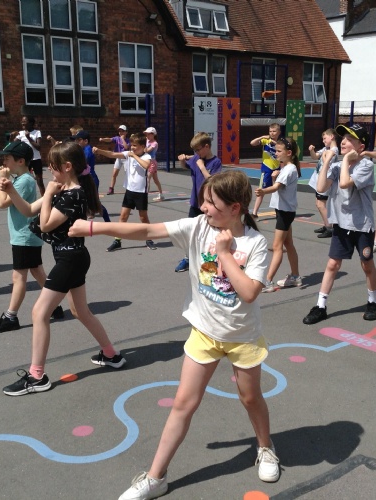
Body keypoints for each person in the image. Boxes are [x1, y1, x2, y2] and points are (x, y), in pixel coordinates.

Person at [68, 170, 280, 499]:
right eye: (203, 201)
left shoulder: (254, 243)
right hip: (205, 334)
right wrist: (94, 228)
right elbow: (146, 229)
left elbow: (250, 292)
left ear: (235, 208)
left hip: (242, 337)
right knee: (183, 403)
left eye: (210, 202)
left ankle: (265, 447)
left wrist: (225, 254)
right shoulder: (197, 227)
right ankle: (156, 477)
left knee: (250, 398)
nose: (203, 207)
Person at [0, 142, 125, 396]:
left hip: (71, 259)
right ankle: (111, 355)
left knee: (39, 313)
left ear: (67, 167)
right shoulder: (62, 189)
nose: (49, 170)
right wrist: (11, 190)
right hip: (71, 257)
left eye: (53, 166)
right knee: (80, 311)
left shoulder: (73, 194)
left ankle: (37, 376)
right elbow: (28, 211)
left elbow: (45, 225)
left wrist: (47, 194)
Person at [303, 124, 376, 325]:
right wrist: (326, 162)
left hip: (361, 225)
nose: (344, 142)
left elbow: (345, 183)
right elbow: (321, 187)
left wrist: (345, 160)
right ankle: (320, 306)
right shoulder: (337, 166)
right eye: (343, 138)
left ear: (361, 146)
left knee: (367, 265)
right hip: (341, 224)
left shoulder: (366, 166)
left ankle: (373, 301)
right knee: (332, 264)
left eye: (350, 139)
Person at [0, 141, 64, 333]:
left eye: (7, 158)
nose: (3, 162)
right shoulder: (21, 179)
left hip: (24, 236)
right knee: (37, 271)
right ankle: (55, 305)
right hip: (25, 235)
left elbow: (2, 203)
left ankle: (10, 316)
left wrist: (2, 179)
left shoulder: (24, 181)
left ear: (20, 161)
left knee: (18, 277)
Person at [93, 134, 156, 251]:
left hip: (141, 192)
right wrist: (99, 151)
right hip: (129, 191)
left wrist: (134, 156)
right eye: (132, 145)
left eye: (135, 145)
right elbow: (112, 154)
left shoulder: (146, 156)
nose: (132, 147)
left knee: (143, 217)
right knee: (123, 216)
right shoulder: (128, 154)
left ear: (143, 146)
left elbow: (146, 166)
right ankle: (117, 240)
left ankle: (149, 239)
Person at [255, 137, 302, 292]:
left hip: (285, 212)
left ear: (289, 153)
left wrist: (263, 191)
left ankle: (268, 281)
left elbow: (276, 188)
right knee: (288, 244)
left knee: (277, 246)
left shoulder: (289, 169)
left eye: (279, 151)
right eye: (276, 150)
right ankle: (295, 276)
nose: (276, 153)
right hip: (284, 210)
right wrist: (275, 177)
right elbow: (279, 186)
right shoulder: (287, 168)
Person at [175, 132, 222, 272]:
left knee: (210, 234)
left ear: (206, 147)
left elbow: (213, 181)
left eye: (198, 150)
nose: (196, 153)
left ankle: (211, 261)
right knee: (190, 232)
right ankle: (188, 258)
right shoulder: (196, 158)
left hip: (209, 205)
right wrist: (182, 160)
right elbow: (186, 166)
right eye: (194, 150)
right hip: (195, 203)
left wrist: (202, 167)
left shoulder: (215, 162)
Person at [72, 130, 112, 226]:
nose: (77, 142)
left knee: (95, 203)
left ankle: (108, 223)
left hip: (90, 180)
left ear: (85, 141)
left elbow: (82, 165)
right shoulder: (82, 149)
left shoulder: (88, 150)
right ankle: (82, 223)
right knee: (83, 202)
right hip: (84, 179)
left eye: (79, 140)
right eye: (76, 140)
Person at [308, 129, 339, 238]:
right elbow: (315, 156)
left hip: (326, 180)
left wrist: (325, 155)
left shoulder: (334, 150)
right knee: (319, 203)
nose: (323, 140)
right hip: (320, 179)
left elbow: (327, 163)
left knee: (321, 204)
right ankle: (326, 225)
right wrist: (312, 150)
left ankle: (329, 227)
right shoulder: (326, 149)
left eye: (325, 138)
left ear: (332, 137)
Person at [250, 123, 281, 218]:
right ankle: (254, 213)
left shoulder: (281, 143)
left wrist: (275, 143)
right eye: (270, 131)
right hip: (266, 169)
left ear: (279, 132)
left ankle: (278, 211)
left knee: (278, 191)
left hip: (277, 170)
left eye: (274, 131)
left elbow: (284, 150)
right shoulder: (265, 141)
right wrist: (262, 137)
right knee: (261, 191)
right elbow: (252, 143)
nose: (272, 133)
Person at [11, 115, 44, 196]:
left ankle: (44, 198)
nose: (22, 123)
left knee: (39, 180)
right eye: (22, 121)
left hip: (36, 159)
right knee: (24, 178)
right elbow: (13, 145)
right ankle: (24, 197)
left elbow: (38, 147)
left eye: (24, 121)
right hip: (26, 160)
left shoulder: (37, 132)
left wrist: (28, 138)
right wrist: (12, 137)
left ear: (31, 123)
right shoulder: (20, 133)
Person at [99, 125, 130, 195]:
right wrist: (103, 139)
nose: (121, 133)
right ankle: (111, 188)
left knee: (127, 174)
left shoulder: (128, 140)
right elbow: (109, 139)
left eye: (122, 131)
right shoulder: (117, 138)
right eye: (119, 131)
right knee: (114, 174)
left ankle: (129, 189)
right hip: (118, 158)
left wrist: (122, 139)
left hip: (126, 158)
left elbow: (126, 147)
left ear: (126, 132)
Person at [144, 127, 164, 201]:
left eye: (149, 134)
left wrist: (143, 145)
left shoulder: (155, 143)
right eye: (147, 134)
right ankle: (161, 195)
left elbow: (147, 151)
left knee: (147, 179)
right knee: (155, 180)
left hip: (152, 163)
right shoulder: (147, 141)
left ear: (153, 134)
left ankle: (145, 198)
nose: (147, 136)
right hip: (147, 162)